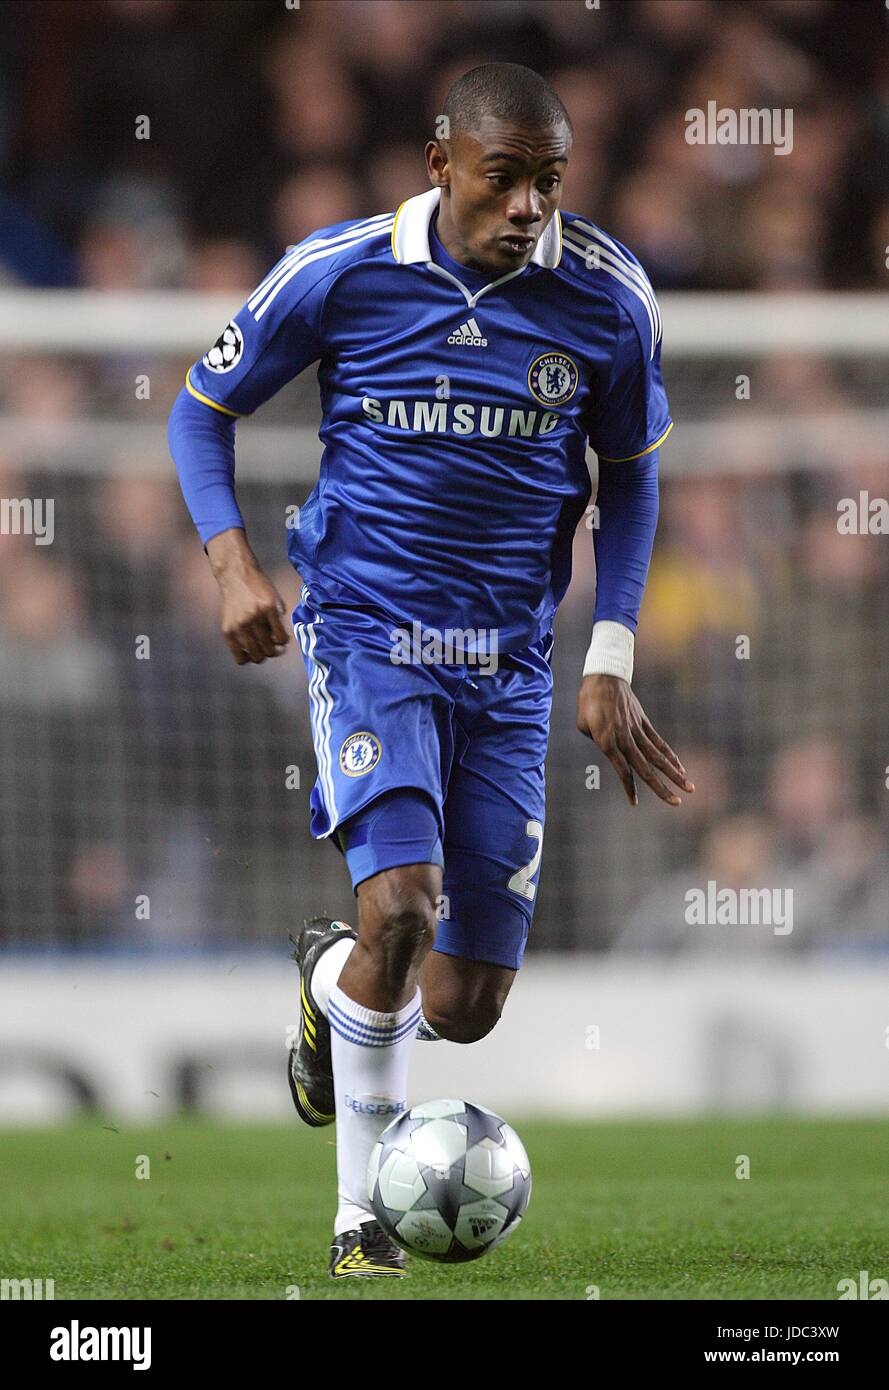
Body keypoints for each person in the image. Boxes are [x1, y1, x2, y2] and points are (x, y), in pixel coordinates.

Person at [169, 61, 692, 1278]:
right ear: (438, 163)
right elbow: (202, 408)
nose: (527, 207)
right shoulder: (339, 271)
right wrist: (233, 565)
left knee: (460, 1003)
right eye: (503, 178)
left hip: (508, 665)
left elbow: (635, 478)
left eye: (548, 183)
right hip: (368, 638)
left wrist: (607, 653)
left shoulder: (607, 297)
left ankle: (326, 979)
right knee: (399, 911)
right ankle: (360, 1221)